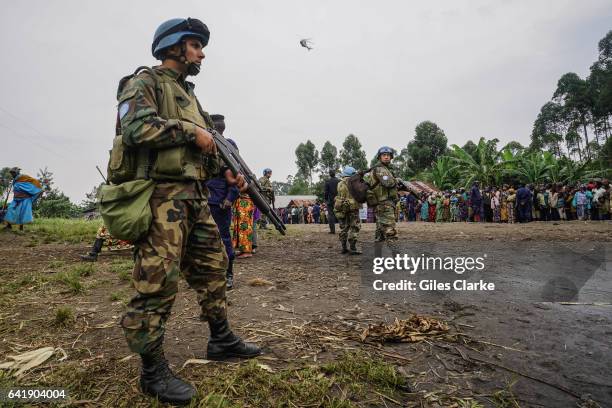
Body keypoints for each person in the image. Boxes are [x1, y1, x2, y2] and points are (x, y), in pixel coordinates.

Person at [116, 18, 260, 405]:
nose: (202, 53)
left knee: (214, 268)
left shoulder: (188, 96)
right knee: (157, 281)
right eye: (196, 45)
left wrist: (228, 174)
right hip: (161, 198)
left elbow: (202, 152)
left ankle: (221, 338)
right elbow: (133, 129)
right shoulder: (143, 82)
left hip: (194, 198)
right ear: (174, 46)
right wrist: (188, 131)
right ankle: (152, 370)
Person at [206, 114, 240, 289]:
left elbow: (236, 172)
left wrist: (230, 197)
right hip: (202, 198)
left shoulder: (229, 145)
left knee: (224, 238)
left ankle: (228, 273)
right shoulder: (203, 143)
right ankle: (207, 273)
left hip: (220, 200)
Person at [368, 147, 398, 242]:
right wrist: (397, 180)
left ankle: (377, 254)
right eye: (384, 155)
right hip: (385, 204)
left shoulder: (381, 169)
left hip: (380, 203)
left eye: (388, 155)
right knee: (390, 231)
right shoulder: (381, 169)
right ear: (379, 157)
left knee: (380, 231)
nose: (386, 157)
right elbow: (388, 183)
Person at [334, 167, 361, 254]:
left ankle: (344, 247)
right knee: (354, 227)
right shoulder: (355, 183)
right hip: (353, 208)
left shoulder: (339, 184)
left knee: (344, 228)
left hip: (342, 207)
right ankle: (352, 248)